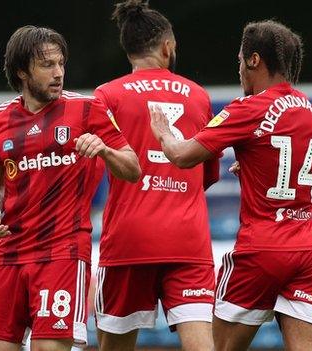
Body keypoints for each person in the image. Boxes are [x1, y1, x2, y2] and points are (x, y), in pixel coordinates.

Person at [149, 20, 312, 351]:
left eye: (239, 60)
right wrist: (258, 166)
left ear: (254, 60)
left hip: (261, 251)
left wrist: (163, 131)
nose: (238, 70)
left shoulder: (247, 109)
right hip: (308, 251)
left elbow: (182, 157)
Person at [0, 25, 141, 351]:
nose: (58, 73)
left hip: (62, 255)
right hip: (10, 254)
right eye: (47, 65)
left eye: (61, 63)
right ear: (22, 71)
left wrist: (105, 151)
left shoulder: (87, 110)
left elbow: (133, 169)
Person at [93, 1, 219, 350]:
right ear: (167, 47)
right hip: (187, 240)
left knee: (115, 346)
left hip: (129, 241)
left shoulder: (107, 95)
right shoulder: (198, 95)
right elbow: (205, 176)